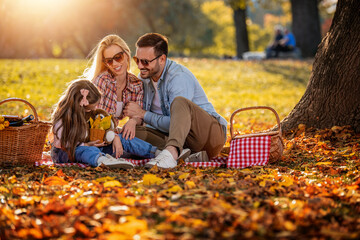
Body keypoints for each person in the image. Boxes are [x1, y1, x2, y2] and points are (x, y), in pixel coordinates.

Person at [123, 33, 227, 169]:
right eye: (137, 60)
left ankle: (171, 153)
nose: (140, 66)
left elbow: (177, 123)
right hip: (180, 139)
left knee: (179, 102)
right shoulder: (144, 78)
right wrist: (133, 120)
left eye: (146, 62)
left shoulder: (178, 78)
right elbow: (141, 117)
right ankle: (185, 154)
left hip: (208, 136)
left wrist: (143, 114)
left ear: (162, 59)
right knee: (127, 134)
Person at [50, 79, 160, 168]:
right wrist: (87, 144)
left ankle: (156, 152)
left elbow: (103, 127)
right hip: (67, 153)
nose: (92, 111)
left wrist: (115, 137)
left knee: (123, 138)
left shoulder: (90, 113)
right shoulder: (63, 119)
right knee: (88, 150)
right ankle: (103, 161)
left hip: (92, 147)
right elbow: (63, 145)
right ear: (80, 106)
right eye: (89, 109)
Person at [83, 34, 143, 140]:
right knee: (129, 143)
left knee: (139, 135)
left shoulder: (136, 84)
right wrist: (114, 137)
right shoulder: (102, 81)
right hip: (91, 132)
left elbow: (139, 115)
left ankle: (163, 152)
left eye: (118, 57)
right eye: (109, 60)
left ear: (127, 54)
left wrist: (133, 121)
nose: (115, 64)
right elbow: (97, 120)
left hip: (111, 132)